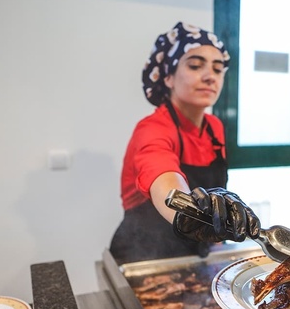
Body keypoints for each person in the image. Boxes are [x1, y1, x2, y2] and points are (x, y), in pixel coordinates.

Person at [110, 22, 261, 264]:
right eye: (195, 65)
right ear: (168, 77)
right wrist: (188, 211)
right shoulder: (152, 129)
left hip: (195, 255)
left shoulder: (215, 128)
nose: (210, 76)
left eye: (218, 68)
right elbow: (165, 178)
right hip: (145, 257)